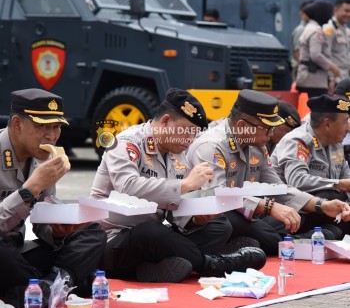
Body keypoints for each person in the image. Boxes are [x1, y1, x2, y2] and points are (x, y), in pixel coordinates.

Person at [90, 88, 266, 283]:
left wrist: (196, 219)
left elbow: (175, 211)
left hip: (158, 236)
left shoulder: (178, 152)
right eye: (186, 133)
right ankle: (213, 264)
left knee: (220, 225)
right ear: (165, 121)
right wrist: (185, 184)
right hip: (115, 239)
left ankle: (155, 268)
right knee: (151, 232)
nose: (190, 141)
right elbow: (128, 186)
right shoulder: (125, 142)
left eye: (194, 134)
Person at [186, 89, 350, 255]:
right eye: (266, 128)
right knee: (260, 233)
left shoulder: (257, 146)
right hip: (208, 215)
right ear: (243, 126)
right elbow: (220, 195)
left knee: (297, 214)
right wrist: (269, 207)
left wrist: (322, 205)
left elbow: (278, 188)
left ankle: (249, 245)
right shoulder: (211, 146)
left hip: (247, 211)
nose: (271, 134)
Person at [0, 89, 107, 308]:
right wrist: (29, 189)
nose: (51, 136)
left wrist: (57, 231)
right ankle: (63, 283)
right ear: (17, 124)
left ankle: (47, 286)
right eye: (42, 126)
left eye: (56, 126)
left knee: (92, 232)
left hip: (19, 252)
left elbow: (41, 223)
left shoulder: (45, 158)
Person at [271, 94, 350, 237]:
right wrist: (338, 184)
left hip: (322, 211)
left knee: (339, 208)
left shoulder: (336, 144)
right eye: (345, 122)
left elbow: (347, 182)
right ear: (327, 124)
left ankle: (322, 235)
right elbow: (297, 181)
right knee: (330, 195)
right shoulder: (297, 141)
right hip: (288, 211)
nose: (348, 127)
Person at [296, 0, 340, 98]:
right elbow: (315, 55)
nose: (329, 18)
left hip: (308, 79)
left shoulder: (309, 28)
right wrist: (332, 67)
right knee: (318, 111)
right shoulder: (316, 31)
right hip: (313, 81)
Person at [323, 0, 350, 81]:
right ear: (336, 10)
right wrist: (331, 79)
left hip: (346, 78)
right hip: (335, 79)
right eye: (346, 11)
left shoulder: (346, 30)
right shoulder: (329, 29)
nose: (348, 14)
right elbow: (326, 55)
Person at [290, 0, 314, 80]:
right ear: (301, 13)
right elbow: (298, 54)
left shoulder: (312, 29)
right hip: (303, 73)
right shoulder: (301, 30)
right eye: (308, 11)